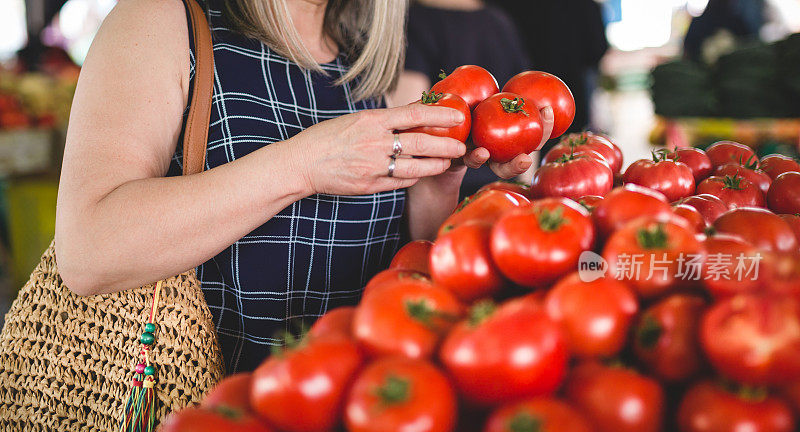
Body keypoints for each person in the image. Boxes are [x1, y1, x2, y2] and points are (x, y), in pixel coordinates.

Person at [54, 0, 554, 373]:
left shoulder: (368, 61)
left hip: (349, 420)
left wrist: (442, 178)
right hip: (206, 423)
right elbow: (89, 250)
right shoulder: (162, 20)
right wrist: (306, 163)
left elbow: (402, 265)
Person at [393, 0, 531, 198]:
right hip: (505, 191)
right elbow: (526, 112)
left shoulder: (414, 21)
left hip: (440, 194)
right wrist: (526, 190)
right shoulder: (499, 21)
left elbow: (409, 121)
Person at [492, 0, 608, 134]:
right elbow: (597, 50)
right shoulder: (582, 4)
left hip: (516, 107)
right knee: (571, 148)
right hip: (569, 99)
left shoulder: (502, 7)